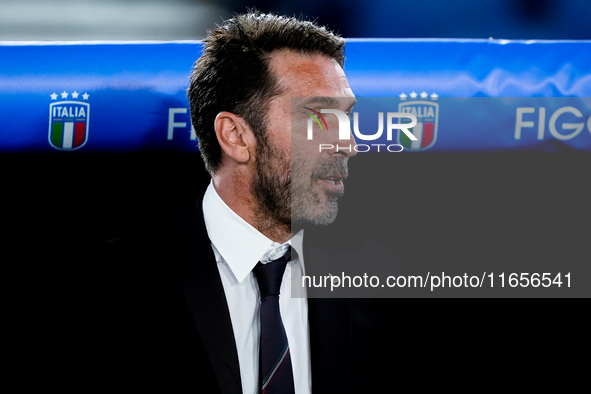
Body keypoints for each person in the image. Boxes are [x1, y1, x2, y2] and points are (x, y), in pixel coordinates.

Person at [68, 11, 392, 393]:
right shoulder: (106, 288)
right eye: (319, 119)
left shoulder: (376, 281)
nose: (349, 145)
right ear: (236, 136)